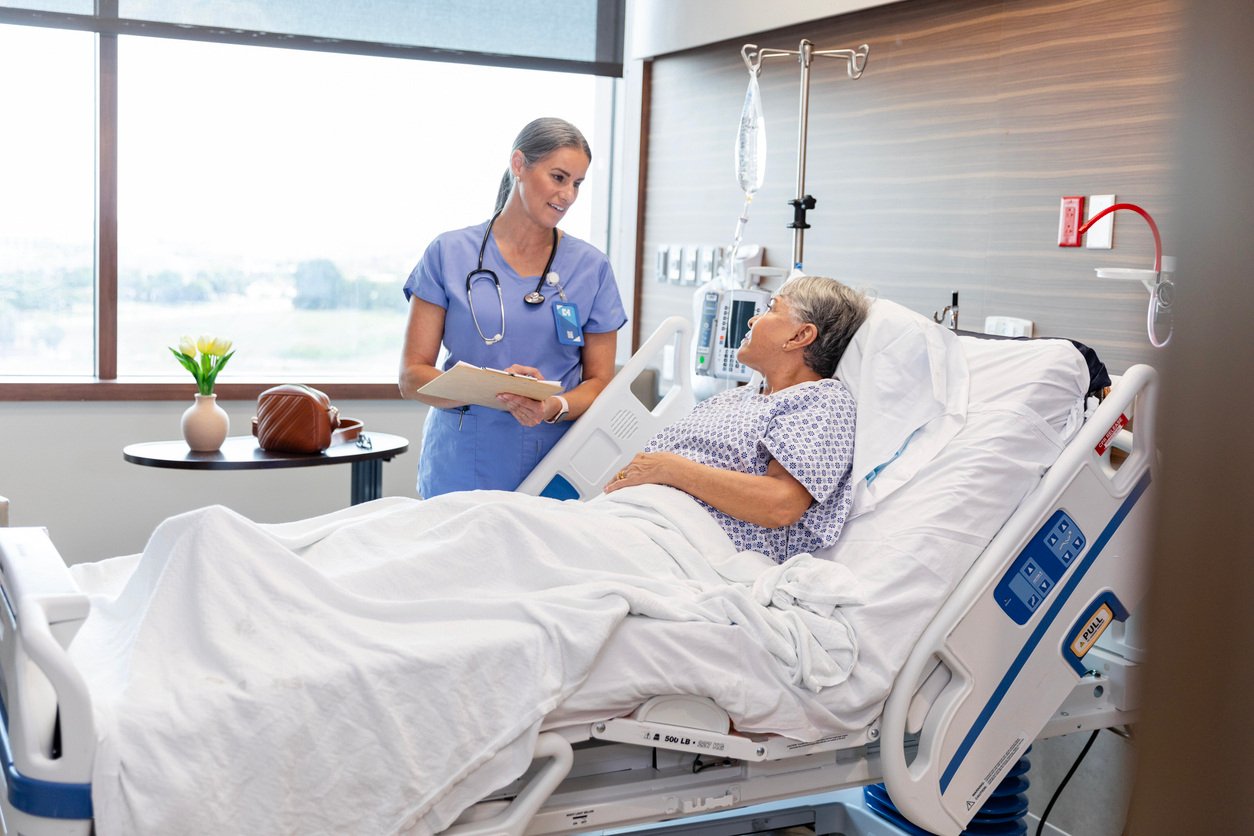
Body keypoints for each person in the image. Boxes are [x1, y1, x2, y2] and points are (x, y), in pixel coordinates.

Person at [400, 117, 627, 498]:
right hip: (461, 463)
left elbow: (601, 384)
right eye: (559, 177)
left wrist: (551, 405)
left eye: (577, 184)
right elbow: (411, 377)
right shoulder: (449, 253)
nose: (568, 195)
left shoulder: (592, 267)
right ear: (519, 165)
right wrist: (493, 389)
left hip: (556, 464)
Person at [605, 275, 868, 563]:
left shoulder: (820, 402)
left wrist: (671, 469)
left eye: (771, 308)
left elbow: (781, 505)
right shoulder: (737, 398)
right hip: (631, 519)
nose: (752, 321)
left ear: (799, 336)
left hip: (684, 542)